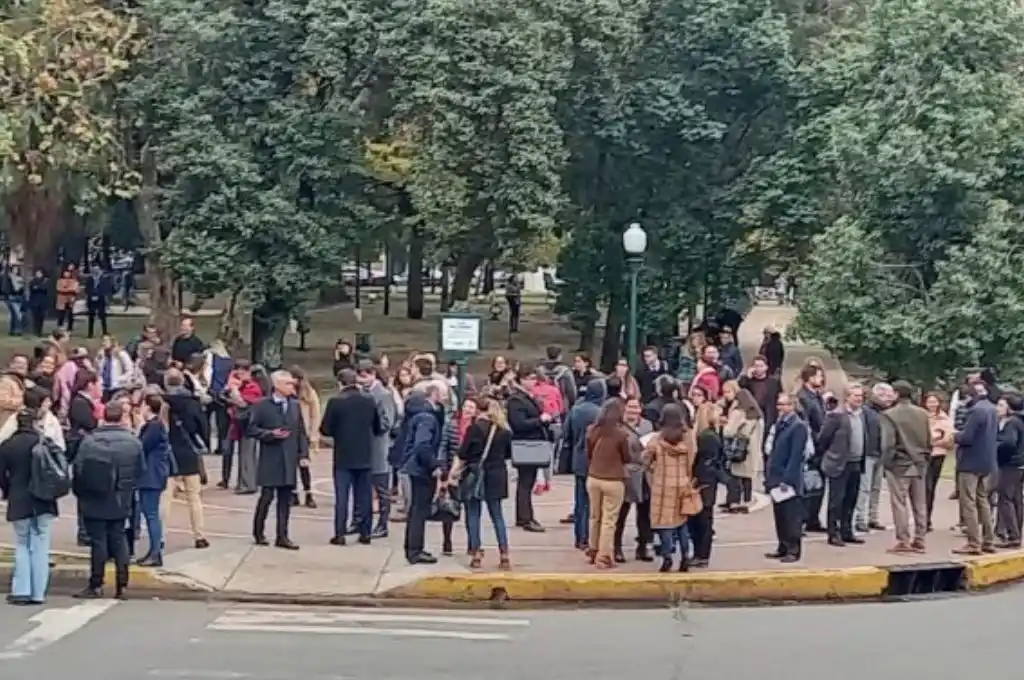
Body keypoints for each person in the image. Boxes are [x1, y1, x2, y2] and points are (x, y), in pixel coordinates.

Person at [72, 400, 143, 599]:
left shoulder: (89, 442)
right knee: (119, 539)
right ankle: (122, 584)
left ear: (103, 417)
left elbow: (78, 470)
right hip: (121, 497)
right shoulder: (133, 442)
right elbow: (140, 470)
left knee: (98, 542)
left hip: (95, 497)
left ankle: (96, 583)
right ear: (122, 417)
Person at [0, 388, 62, 604]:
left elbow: (2, 477)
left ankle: (21, 590)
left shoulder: (7, 446)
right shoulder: (45, 442)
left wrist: (7, 492)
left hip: (19, 498)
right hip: (44, 498)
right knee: (41, 544)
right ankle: (38, 593)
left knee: (22, 543)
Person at [248, 370, 309, 550]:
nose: (292, 386)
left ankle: (282, 535)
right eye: (288, 383)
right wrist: (270, 434)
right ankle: (258, 531)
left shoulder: (295, 405)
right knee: (267, 497)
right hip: (270, 457)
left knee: (286, 498)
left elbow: (301, 432)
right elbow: (252, 429)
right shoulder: (261, 405)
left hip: (289, 458)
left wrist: (303, 455)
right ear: (277, 386)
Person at [449, 397, 513, 568]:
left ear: (480, 410)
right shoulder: (504, 431)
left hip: (476, 473)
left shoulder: (474, 429)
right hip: (497, 474)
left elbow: (463, 454)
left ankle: (476, 552)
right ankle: (504, 552)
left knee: (473, 514)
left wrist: (454, 474)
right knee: (497, 515)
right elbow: (508, 454)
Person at [320, 368, 380, 546]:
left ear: (340, 383)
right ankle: (366, 532)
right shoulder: (369, 401)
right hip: (365, 453)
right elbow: (377, 426)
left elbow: (326, 429)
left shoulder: (335, 402)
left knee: (342, 496)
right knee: (365, 496)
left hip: (343, 455)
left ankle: (339, 533)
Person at [644, 403, 702, 572]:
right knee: (682, 522)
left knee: (664, 524)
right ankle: (685, 557)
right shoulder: (688, 438)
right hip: (682, 483)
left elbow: (645, 459)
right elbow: (691, 460)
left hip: (662, 486)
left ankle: (667, 557)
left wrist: (654, 468)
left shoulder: (657, 440)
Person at [879, 381, 931, 553]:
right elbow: (928, 439)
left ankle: (903, 540)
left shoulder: (889, 415)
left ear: (896, 394)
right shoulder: (923, 414)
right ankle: (920, 539)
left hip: (900, 464)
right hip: (920, 462)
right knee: (919, 502)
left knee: (899, 502)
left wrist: (886, 463)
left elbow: (888, 444)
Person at [817, 383, 869, 547]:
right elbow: (823, 438)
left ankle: (847, 531)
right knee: (836, 501)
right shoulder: (836, 415)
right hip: (839, 463)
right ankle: (833, 533)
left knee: (851, 499)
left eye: (860, 396)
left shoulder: (862, 415)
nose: (859, 399)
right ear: (847, 397)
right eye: (855, 396)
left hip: (856, 462)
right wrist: (827, 457)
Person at [164, 368, 210, 550]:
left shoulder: (164, 403)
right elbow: (203, 426)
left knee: (166, 496)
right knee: (194, 497)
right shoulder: (193, 403)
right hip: (189, 450)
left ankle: (160, 533)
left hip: (169, 451)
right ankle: (199, 535)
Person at [399, 384, 444, 564]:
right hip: (421, 469)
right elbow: (422, 445)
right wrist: (434, 466)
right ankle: (415, 550)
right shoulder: (427, 418)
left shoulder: (418, 416)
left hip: (414, 467)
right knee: (419, 510)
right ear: (433, 395)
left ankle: (413, 548)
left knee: (416, 510)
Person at [953, 380, 999, 555]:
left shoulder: (976, 411)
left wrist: (953, 435)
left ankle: (974, 542)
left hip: (970, 462)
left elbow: (967, 438)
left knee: (968, 502)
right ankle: (988, 540)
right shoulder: (992, 408)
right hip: (987, 461)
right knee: (983, 500)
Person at [585, 398, 631, 569]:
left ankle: (593, 549)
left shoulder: (592, 430)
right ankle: (604, 557)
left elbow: (588, 452)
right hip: (613, 479)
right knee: (609, 519)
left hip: (594, 477)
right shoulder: (620, 434)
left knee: (595, 516)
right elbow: (627, 457)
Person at [562, 379, 606, 549]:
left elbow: (566, 434)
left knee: (580, 501)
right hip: (597, 459)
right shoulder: (601, 412)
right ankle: (593, 536)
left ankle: (580, 537)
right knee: (595, 501)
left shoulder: (576, 410)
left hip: (578, 458)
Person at [764, 393, 807, 563]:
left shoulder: (798, 426)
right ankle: (782, 546)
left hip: (788, 480)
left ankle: (793, 549)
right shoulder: (780, 424)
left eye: (784, 404)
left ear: (793, 406)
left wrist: (787, 480)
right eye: (779, 404)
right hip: (776, 476)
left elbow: (796, 456)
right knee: (780, 515)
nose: (780, 408)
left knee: (791, 517)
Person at [507, 367, 551, 532]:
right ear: (522, 380)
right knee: (525, 482)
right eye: (530, 378)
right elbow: (519, 424)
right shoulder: (516, 400)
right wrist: (540, 420)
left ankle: (524, 516)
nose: (533, 381)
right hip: (525, 444)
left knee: (527, 481)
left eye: (534, 378)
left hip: (531, 444)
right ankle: (526, 518)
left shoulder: (527, 398)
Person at [614, 396, 654, 563]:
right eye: (630, 407)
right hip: (627, 473)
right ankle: (617, 548)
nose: (633, 411)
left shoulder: (647, 425)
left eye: (636, 407)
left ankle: (643, 546)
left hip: (645, 472)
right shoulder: (618, 426)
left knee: (645, 513)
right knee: (621, 513)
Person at [136, 393, 172, 566]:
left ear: (148, 407)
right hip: (152, 475)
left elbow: (141, 447)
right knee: (149, 512)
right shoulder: (156, 426)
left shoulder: (154, 427)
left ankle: (156, 552)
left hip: (151, 476)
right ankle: (153, 550)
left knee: (151, 514)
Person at [363, 361, 396, 538]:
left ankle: (383, 524)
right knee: (364, 488)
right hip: (363, 448)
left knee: (382, 488)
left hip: (378, 447)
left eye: (365, 376)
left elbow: (388, 422)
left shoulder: (383, 394)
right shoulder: (362, 393)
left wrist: (369, 423)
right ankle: (361, 521)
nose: (362, 380)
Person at [855, 382, 893, 533]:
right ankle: (860, 518)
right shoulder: (865, 411)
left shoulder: (887, 413)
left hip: (880, 453)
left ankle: (873, 517)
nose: (890, 399)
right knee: (864, 488)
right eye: (887, 396)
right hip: (868, 453)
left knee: (876, 488)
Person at [222, 360, 264, 493]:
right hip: (238, 422)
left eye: (242, 370)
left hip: (249, 423)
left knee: (247, 454)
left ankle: (248, 484)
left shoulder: (253, 387)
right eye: (237, 370)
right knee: (240, 452)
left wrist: (233, 390)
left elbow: (242, 403)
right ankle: (242, 482)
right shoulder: (241, 385)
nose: (239, 373)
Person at [722, 382, 764, 513]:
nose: (725, 395)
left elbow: (729, 431)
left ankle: (734, 501)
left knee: (735, 474)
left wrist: (723, 425)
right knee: (747, 476)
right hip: (751, 447)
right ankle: (747, 500)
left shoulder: (737, 410)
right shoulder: (753, 410)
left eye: (728, 392)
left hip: (739, 446)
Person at [995, 394, 1024, 548]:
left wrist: (997, 449)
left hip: (1010, 465)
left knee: (1005, 499)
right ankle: (1016, 533)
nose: (997, 408)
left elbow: (1009, 443)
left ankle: (1012, 534)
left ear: (1009, 408)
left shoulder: (1011, 423)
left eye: (1000, 405)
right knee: (1017, 499)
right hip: (1020, 464)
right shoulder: (1020, 421)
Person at [924, 392, 954, 532]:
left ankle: (927, 519)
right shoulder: (922, 416)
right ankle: (923, 518)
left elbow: (948, 438)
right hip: (925, 454)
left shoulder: (944, 418)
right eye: (929, 402)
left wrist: (937, 440)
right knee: (923, 488)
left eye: (934, 402)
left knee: (930, 487)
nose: (931, 405)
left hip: (938, 455)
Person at [96, 336, 135, 401]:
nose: (103, 343)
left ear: (112, 342)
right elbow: (99, 371)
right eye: (102, 341)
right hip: (105, 389)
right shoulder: (102, 356)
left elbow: (130, 370)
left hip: (118, 387)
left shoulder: (121, 354)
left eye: (105, 341)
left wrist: (121, 379)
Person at [0, 354, 29, 430]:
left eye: (24, 364)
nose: (22, 366)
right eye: (19, 363)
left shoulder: (18, 380)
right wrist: (20, 403)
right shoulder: (6, 381)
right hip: (5, 423)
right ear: (11, 364)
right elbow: (2, 401)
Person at [83, 266, 113, 338]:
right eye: (94, 270)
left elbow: (105, 289)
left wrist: (99, 296)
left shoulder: (103, 279)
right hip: (91, 300)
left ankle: (105, 332)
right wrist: (91, 296)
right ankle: (90, 333)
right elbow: (87, 289)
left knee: (102, 316)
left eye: (97, 270)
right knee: (91, 317)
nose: (96, 271)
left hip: (101, 300)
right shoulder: (89, 279)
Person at [55, 264, 79, 332]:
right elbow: (59, 289)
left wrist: (66, 289)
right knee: (61, 314)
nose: (67, 274)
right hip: (61, 300)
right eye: (65, 272)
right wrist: (69, 289)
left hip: (70, 299)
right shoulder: (59, 280)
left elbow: (76, 289)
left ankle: (70, 328)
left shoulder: (74, 280)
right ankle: (60, 327)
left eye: (68, 272)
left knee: (70, 314)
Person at [26, 269, 49, 337]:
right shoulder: (33, 281)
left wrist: (38, 287)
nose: (38, 274)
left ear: (42, 274)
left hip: (42, 302)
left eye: (39, 273)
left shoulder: (45, 281)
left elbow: (44, 289)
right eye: (37, 273)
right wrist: (39, 287)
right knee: (35, 317)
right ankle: (35, 331)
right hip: (34, 301)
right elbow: (32, 288)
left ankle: (39, 331)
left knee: (41, 317)